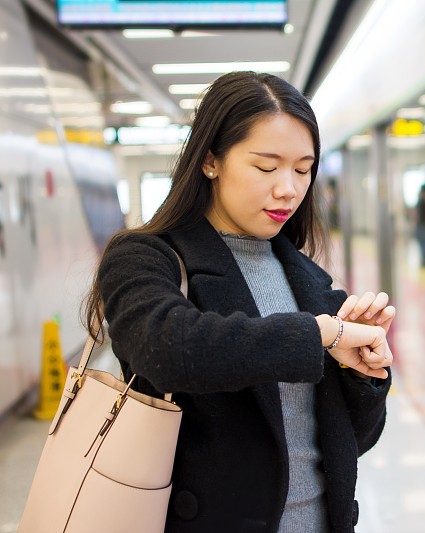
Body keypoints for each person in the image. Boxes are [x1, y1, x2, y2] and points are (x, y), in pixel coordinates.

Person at [83, 71, 394, 533]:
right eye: (266, 167)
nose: (288, 188)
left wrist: (362, 375)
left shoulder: (311, 281)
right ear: (211, 161)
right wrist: (316, 334)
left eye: (303, 169)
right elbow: (170, 350)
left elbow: (349, 443)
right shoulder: (147, 257)